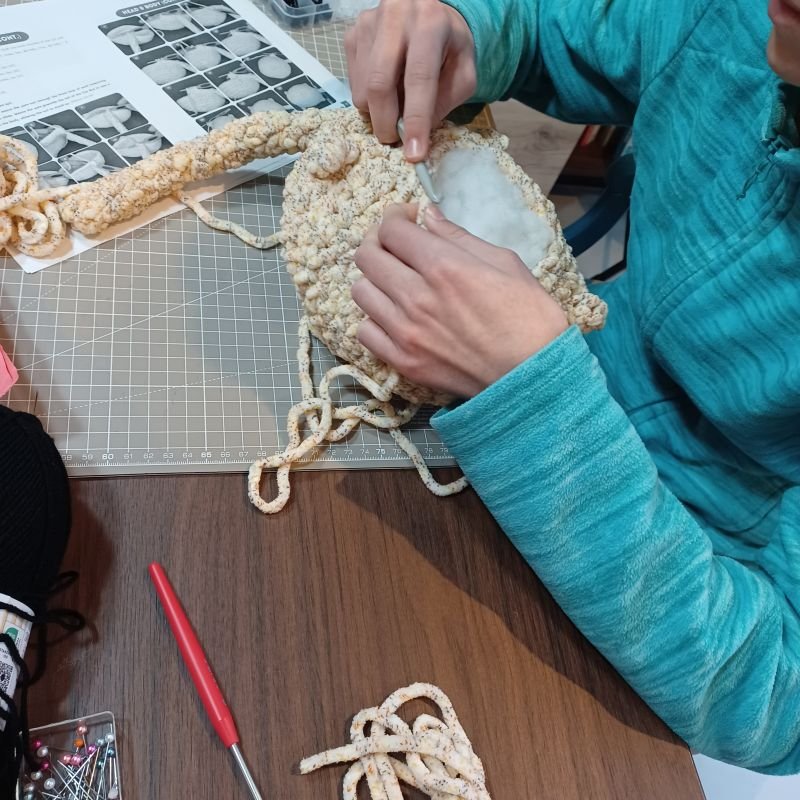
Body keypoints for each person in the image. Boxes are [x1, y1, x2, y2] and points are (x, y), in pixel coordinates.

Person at [344, 0, 800, 775]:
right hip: (550, 394)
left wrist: (535, 395)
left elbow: (773, 700)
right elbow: (566, 26)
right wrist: (468, 32)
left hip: (682, 592)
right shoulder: (755, 19)